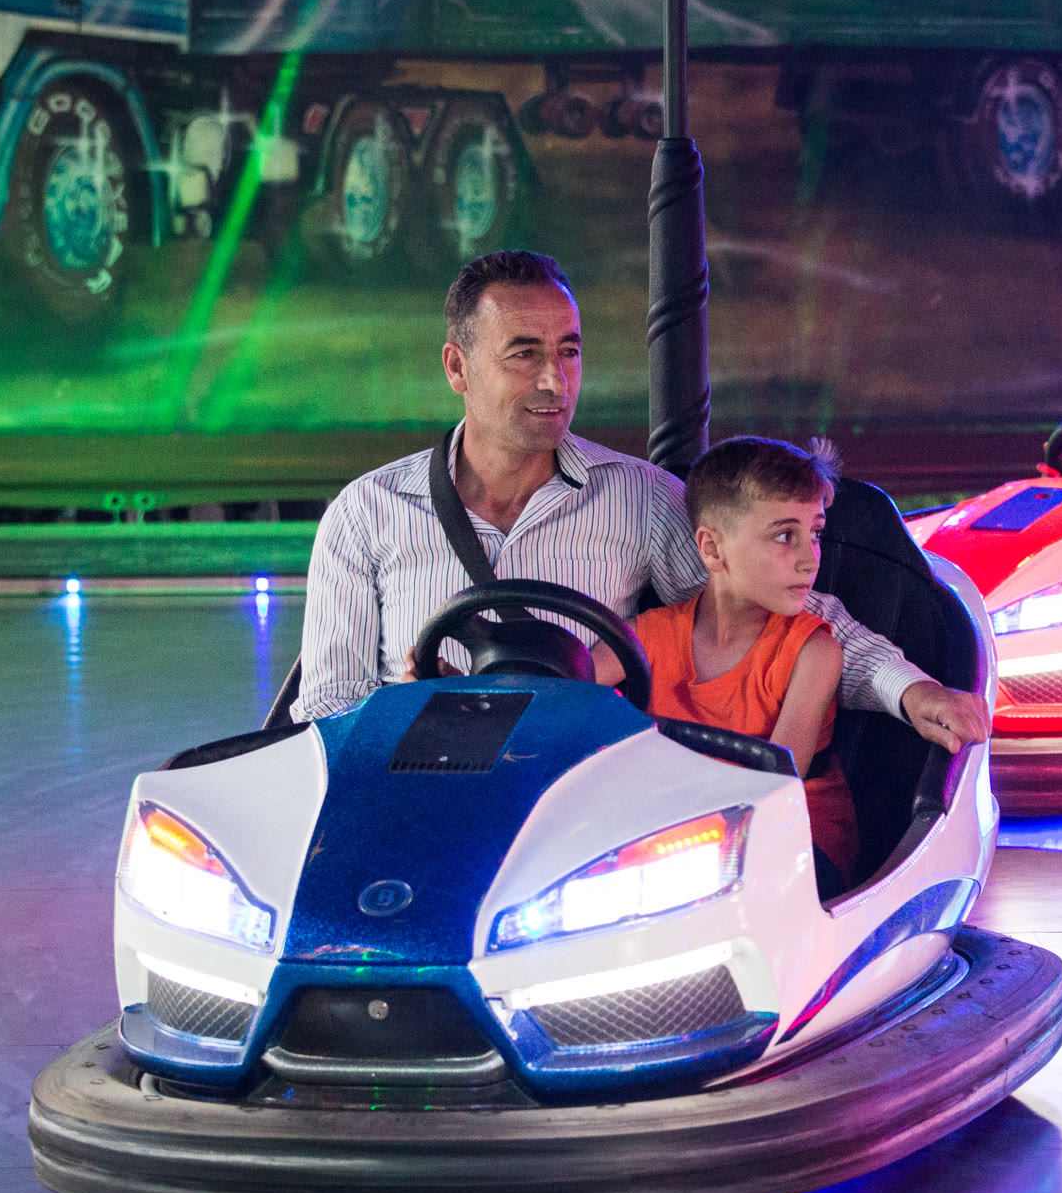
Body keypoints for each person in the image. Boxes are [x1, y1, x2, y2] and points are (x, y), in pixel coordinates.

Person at [292, 249, 990, 754]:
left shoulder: (639, 498)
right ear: (457, 367)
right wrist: (409, 713)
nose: (555, 381)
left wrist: (910, 689)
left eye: (569, 352)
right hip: (422, 792)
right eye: (524, 354)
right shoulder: (367, 514)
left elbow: (775, 610)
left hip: (579, 809)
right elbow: (325, 713)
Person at [633, 436, 862, 893]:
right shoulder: (648, 636)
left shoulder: (813, 653)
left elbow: (774, 787)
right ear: (713, 549)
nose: (809, 560)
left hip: (793, 841)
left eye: (815, 534)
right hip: (677, 839)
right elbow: (566, 691)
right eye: (784, 536)